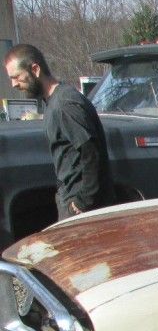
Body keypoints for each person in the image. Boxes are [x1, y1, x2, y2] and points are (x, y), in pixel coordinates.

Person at [4, 44, 114, 220]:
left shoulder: (65, 104)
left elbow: (91, 152)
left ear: (35, 69)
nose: (14, 84)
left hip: (82, 209)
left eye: (17, 77)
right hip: (71, 200)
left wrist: (83, 201)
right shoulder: (53, 103)